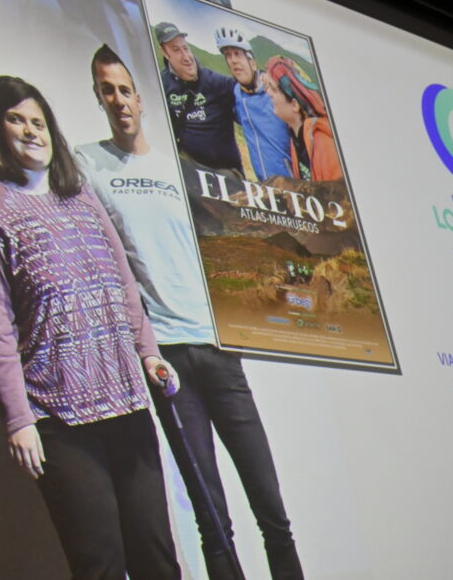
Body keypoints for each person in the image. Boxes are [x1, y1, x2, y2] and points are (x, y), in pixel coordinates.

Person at [75, 45, 304, 580]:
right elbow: (39, 180)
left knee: (271, 510)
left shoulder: (180, 168)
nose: (118, 100)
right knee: (211, 517)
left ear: (140, 98)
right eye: (106, 90)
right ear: (99, 98)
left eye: (125, 89)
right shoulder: (89, 163)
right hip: (166, 359)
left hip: (218, 348)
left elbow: (226, 237)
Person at [0, 75, 181, 580]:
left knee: (157, 558)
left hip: (125, 396)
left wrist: (148, 352)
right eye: (16, 120)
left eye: (38, 121)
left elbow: (125, 282)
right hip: (58, 414)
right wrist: (18, 419)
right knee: (99, 563)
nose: (30, 131)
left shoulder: (80, 196)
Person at [156, 21, 243, 174]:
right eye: (176, 50)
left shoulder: (212, 80)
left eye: (185, 48)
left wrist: (260, 77)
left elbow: (244, 86)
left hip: (226, 173)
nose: (186, 57)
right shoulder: (163, 85)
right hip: (190, 171)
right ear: (165, 52)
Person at [214, 26, 293, 180]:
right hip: (265, 185)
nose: (234, 60)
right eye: (228, 56)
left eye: (237, 54)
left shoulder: (275, 90)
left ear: (252, 62)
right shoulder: (236, 94)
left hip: (292, 182)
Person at [265, 56, 344, 181]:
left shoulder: (324, 144)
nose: (268, 93)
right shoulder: (298, 139)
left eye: (274, 89)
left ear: (295, 105)